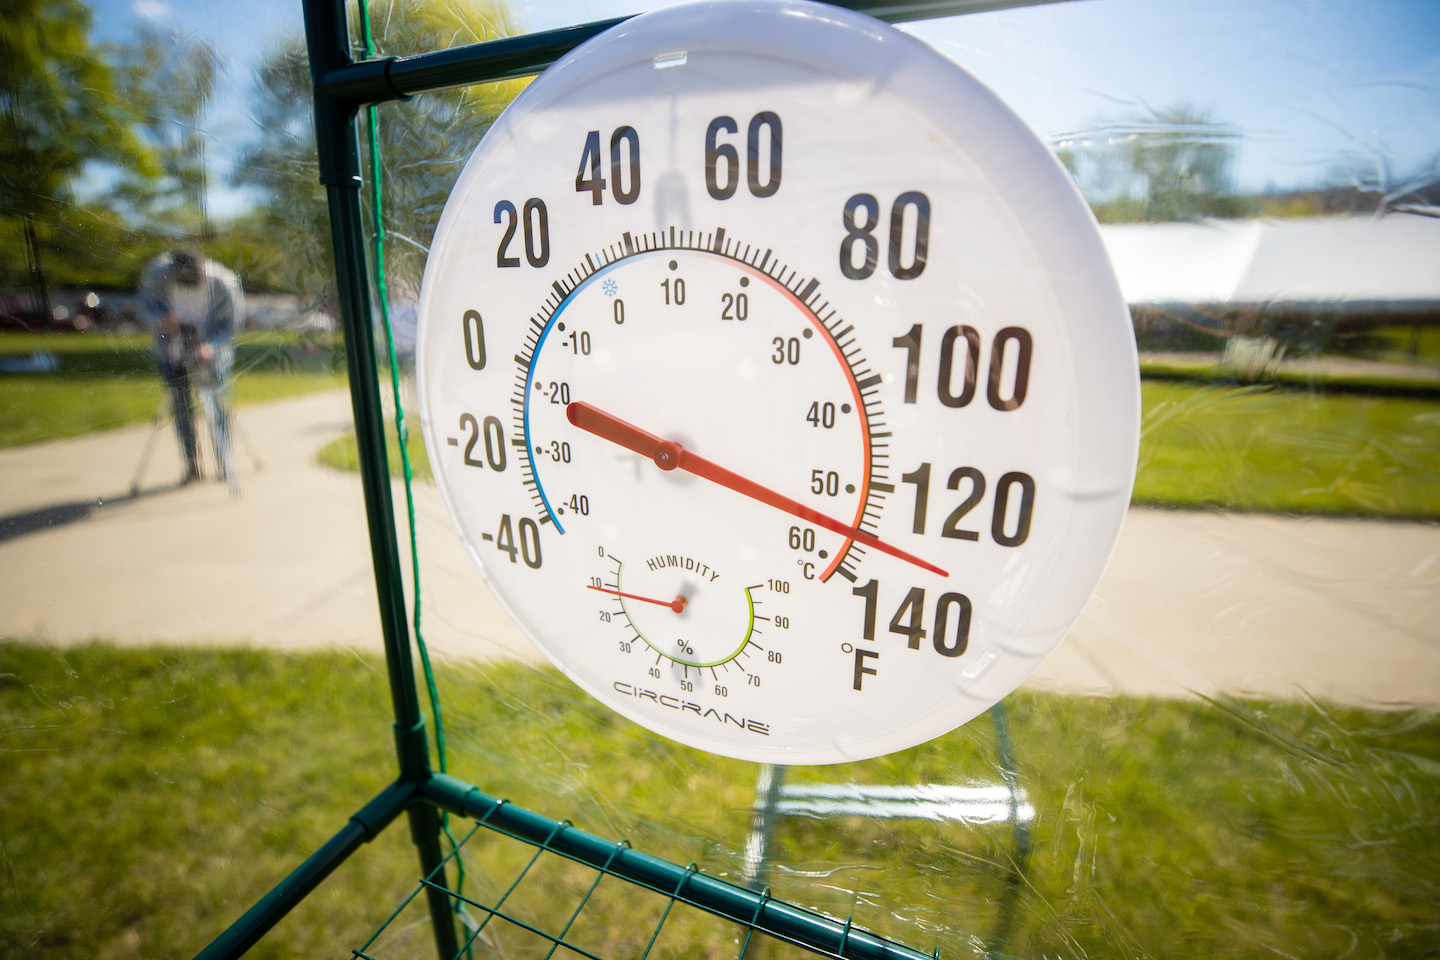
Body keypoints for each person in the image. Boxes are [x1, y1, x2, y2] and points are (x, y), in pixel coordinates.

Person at [139, 249, 243, 486]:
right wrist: (162, 318)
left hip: (211, 355)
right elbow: (147, 305)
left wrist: (211, 347)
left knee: (218, 408)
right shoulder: (158, 275)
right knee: (181, 409)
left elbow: (230, 325)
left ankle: (225, 464)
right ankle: (192, 466)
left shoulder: (223, 282)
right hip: (172, 352)